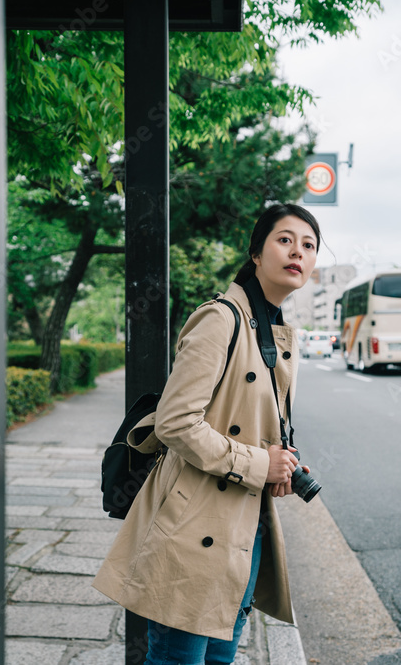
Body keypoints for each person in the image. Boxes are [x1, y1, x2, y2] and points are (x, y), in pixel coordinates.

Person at [92, 203, 322, 664]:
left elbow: (247, 420)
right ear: (256, 253)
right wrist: (259, 464)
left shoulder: (272, 331)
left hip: (244, 524)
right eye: (285, 239)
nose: (298, 251)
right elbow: (176, 421)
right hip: (195, 525)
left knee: (220, 658)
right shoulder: (221, 319)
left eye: (309, 245)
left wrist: (279, 463)